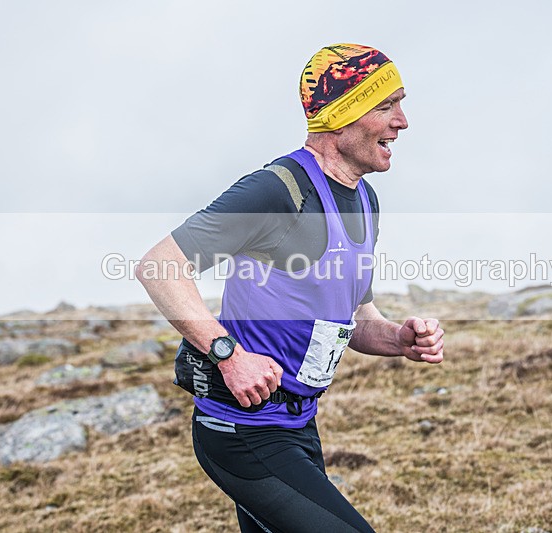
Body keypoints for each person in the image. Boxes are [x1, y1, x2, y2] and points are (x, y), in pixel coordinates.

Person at [137, 43, 445, 533]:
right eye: (385, 106)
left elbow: (352, 315)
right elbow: (160, 265)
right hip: (241, 430)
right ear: (340, 116)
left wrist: (396, 339)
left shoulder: (365, 199)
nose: (402, 121)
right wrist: (229, 355)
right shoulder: (278, 190)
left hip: (299, 427)